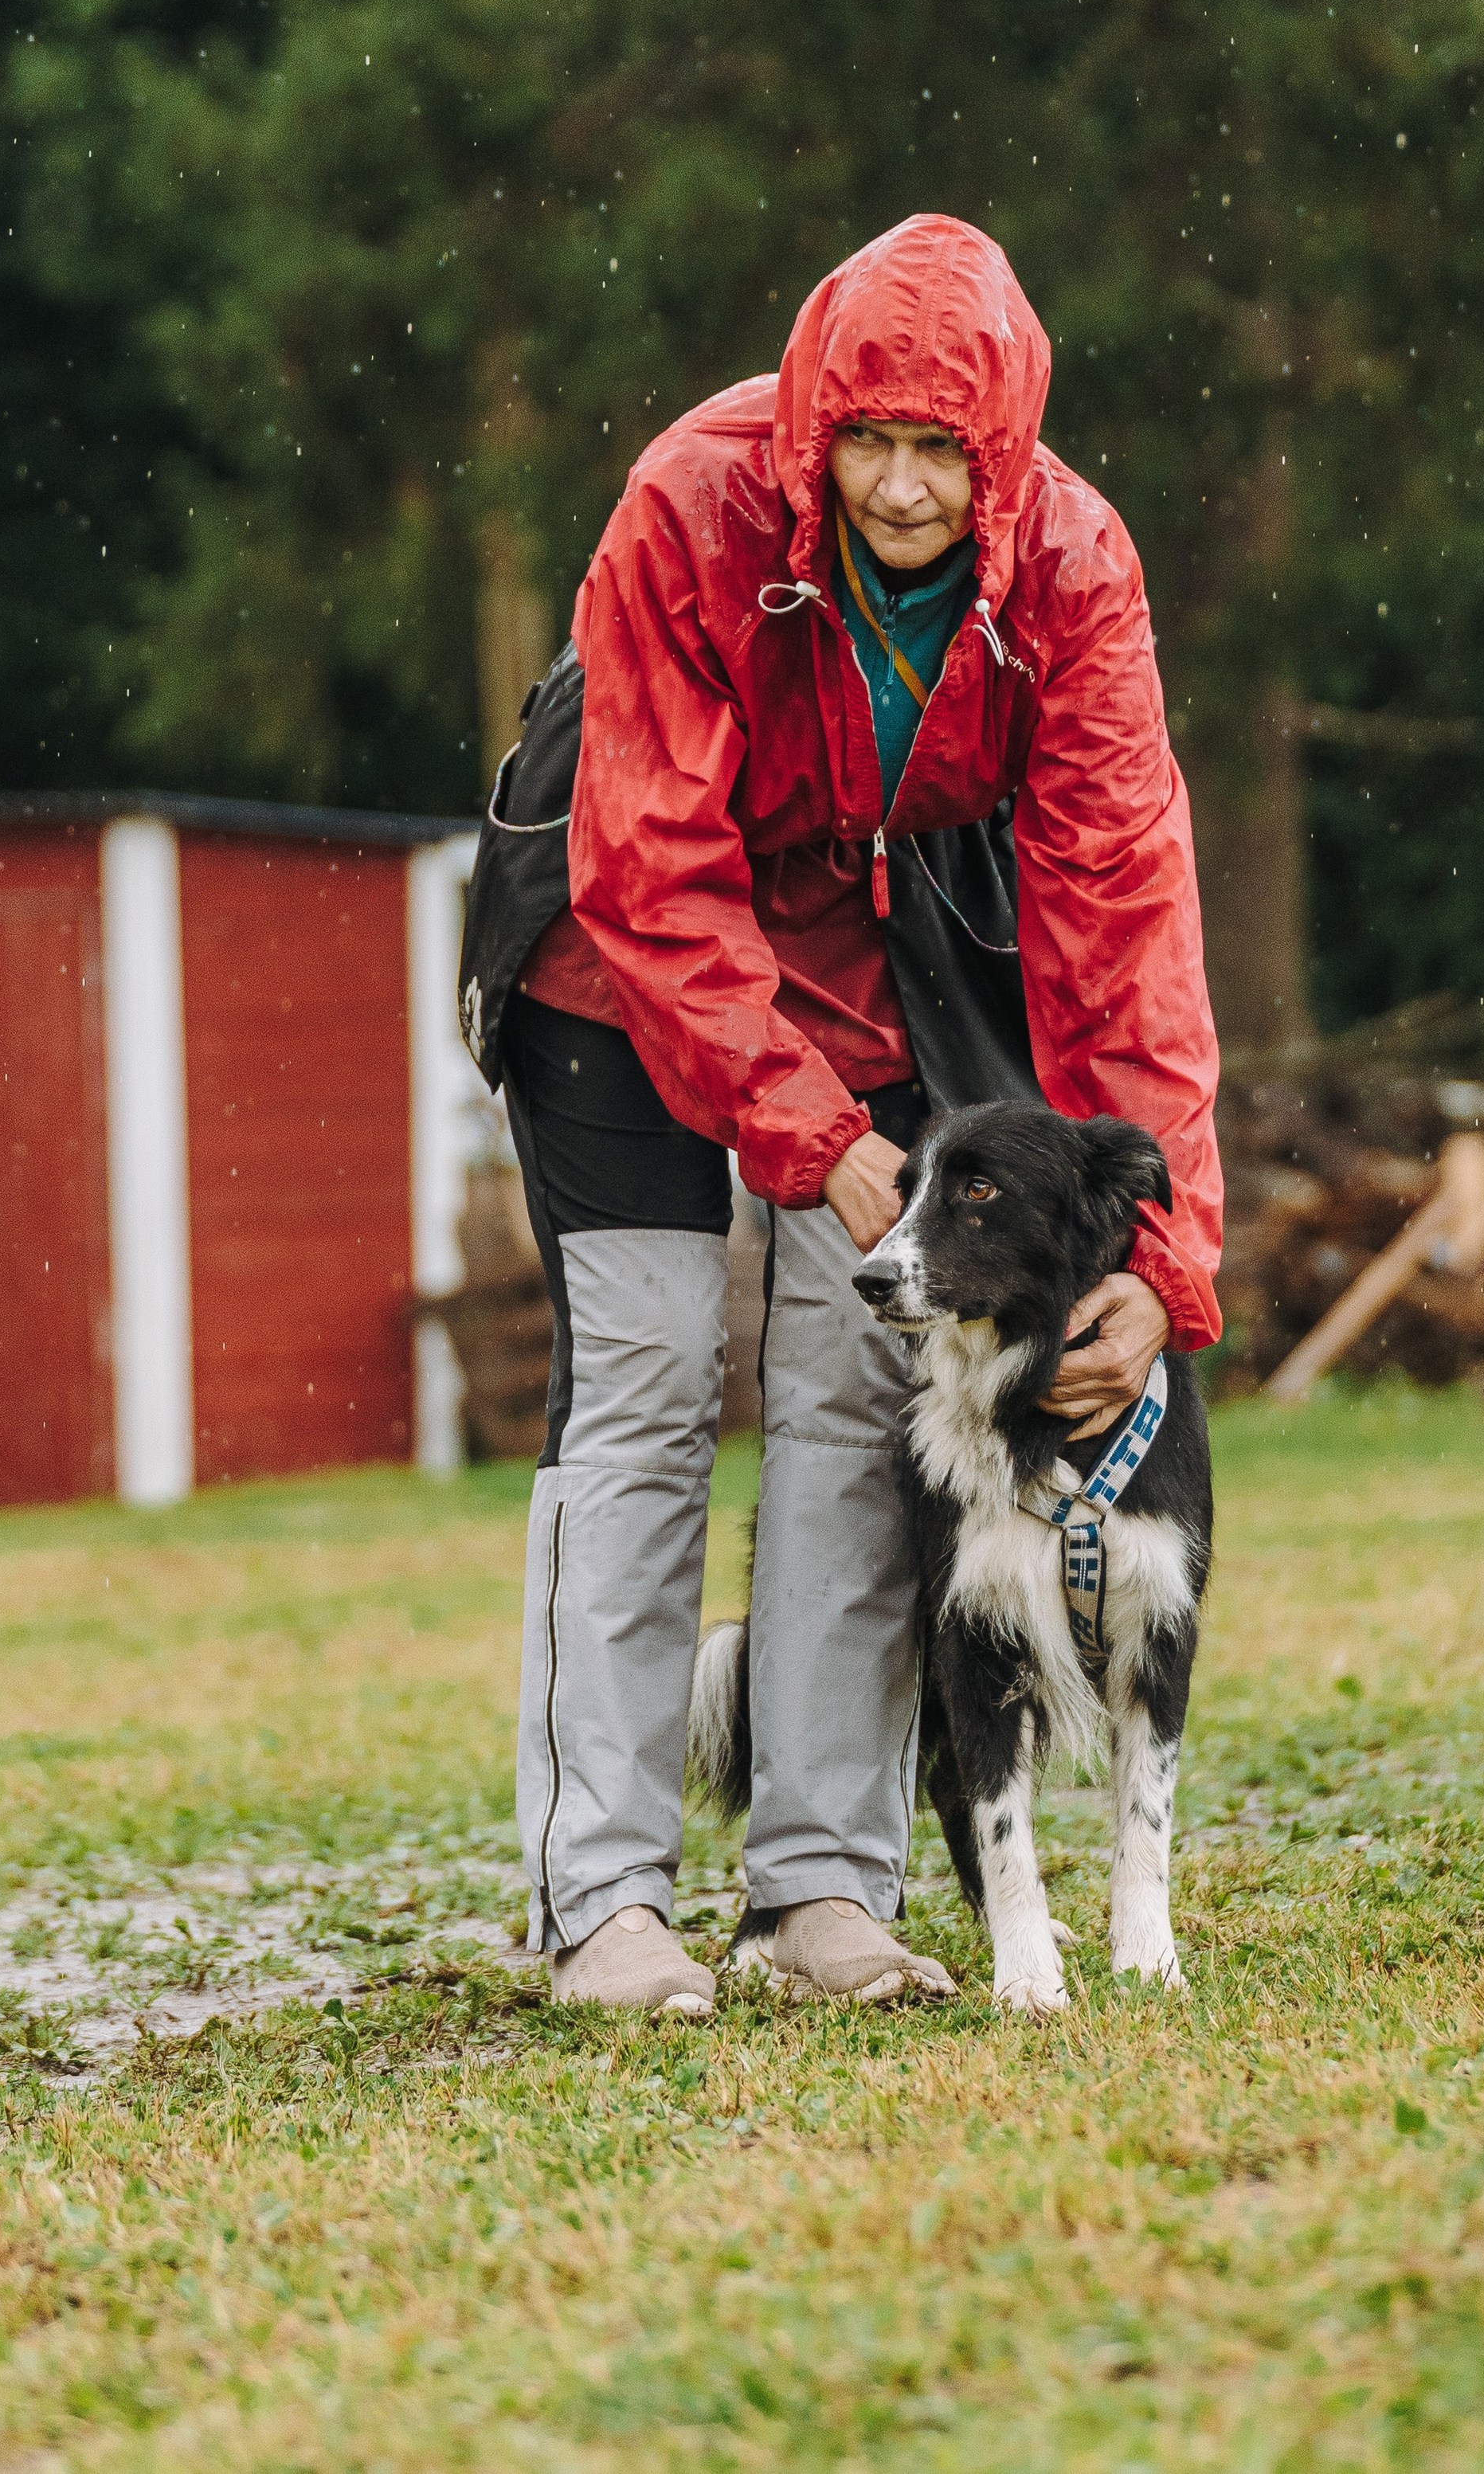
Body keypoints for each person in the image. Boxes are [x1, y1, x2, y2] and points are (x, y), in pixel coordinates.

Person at [463, 213, 1220, 2014]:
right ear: (810, 432)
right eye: (863, 444)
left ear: (1004, 450)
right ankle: (601, 1899)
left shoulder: (1076, 571)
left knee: (841, 1391)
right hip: (608, 955)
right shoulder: (689, 503)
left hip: (857, 966)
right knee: (646, 1377)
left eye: (938, 451)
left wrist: (1160, 1258)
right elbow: (647, 865)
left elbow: (1121, 918)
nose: (896, 486)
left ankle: (817, 1887)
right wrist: (807, 1134)